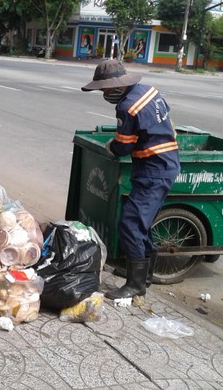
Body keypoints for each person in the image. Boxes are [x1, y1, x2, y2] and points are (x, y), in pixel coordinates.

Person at [81, 60, 181, 301]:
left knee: (131, 223)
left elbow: (123, 146)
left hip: (154, 169)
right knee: (140, 221)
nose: (104, 94)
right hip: (165, 162)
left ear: (117, 86)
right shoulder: (149, 91)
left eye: (105, 89)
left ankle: (136, 284)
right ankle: (144, 273)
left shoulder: (127, 106)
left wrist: (111, 148)